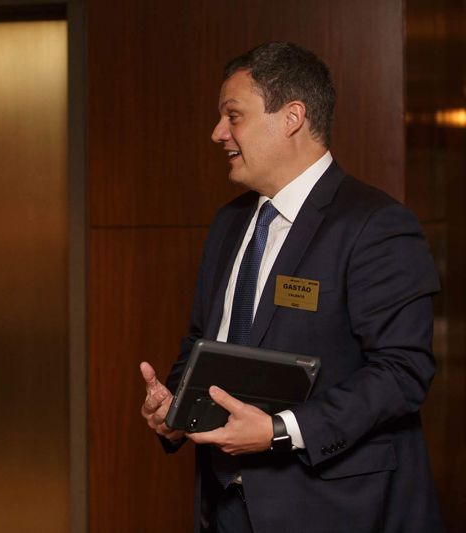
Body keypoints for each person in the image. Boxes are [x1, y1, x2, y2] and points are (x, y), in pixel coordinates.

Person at [140, 42, 443, 532]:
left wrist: (280, 430)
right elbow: (201, 341)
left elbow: (403, 371)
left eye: (233, 116)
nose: (218, 133)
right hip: (225, 505)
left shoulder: (376, 225)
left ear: (292, 118)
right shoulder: (228, 223)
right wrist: (175, 406)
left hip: (334, 509)